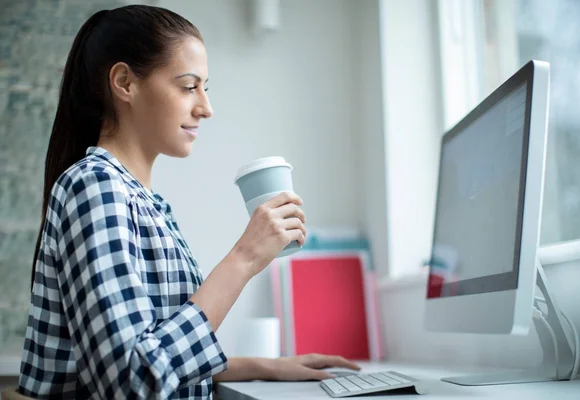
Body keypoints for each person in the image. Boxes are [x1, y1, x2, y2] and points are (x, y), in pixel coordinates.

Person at [17, 5, 360, 399]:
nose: (205, 107)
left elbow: (156, 351)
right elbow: (132, 382)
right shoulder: (94, 188)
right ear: (125, 82)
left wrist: (266, 366)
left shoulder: (148, 204)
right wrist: (245, 258)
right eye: (187, 86)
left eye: (205, 88)